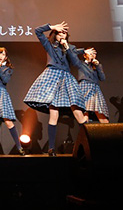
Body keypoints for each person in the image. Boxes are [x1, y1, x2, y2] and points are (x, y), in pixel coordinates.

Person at [23, 22, 89, 156]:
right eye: (60, 33)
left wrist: (67, 48)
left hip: (67, 79)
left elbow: (76, 63)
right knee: (54, 114)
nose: (62, 35)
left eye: (64, 33)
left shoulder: (70, 48)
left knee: (78, 113)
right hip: (52, 77)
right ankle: (51, 148)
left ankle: (89, 144)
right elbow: (37, 31)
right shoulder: (49, 45)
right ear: (55, 34)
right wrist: (52, 27)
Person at [76, 49, 110, 123]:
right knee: (85, 112)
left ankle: (108, 129)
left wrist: (98, 66)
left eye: (94, 54)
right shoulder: (80, 63)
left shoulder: (97, 66)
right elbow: (71, 53)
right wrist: (84, 51)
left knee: (99, 110)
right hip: (84, 87)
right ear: (85, 55)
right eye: (91, 53)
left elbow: (102, 78)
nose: (93, 55)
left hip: (94, 88)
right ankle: (85, 128)